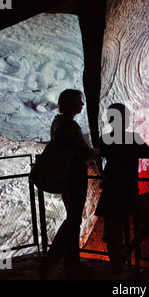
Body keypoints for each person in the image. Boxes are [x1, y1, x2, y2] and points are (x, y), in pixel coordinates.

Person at [95, 103, 149, 276]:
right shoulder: (133, 138)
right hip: (129, 191)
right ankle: (128, 250)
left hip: (111, 191)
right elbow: (146, 152)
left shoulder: (105, 139)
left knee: (113, 232)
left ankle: (117, 267)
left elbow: (99, 155)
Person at [38, 89, 98, 279]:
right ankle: (58, 259)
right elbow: (83, 152)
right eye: (79, 101)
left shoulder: (58, 122)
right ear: (71, 103)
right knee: (74, 219)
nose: (82, 105)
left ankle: (67, 260)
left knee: (72, 218)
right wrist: (98, 151)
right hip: (74, 176)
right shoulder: (70, 126)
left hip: (65, 176)